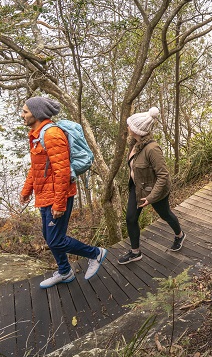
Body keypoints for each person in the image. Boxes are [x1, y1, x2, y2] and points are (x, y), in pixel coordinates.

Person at [19, 96, 108, 288]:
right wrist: (27, 190)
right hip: (45, 194)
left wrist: (59, 204)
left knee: (56, 240)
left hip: (58, 196)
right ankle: (65, 271)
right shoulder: (37, 135)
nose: (22, 115)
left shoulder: (52, 135)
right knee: (49, 237)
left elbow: (62, 172)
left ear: (37, 113)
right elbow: (35, 167)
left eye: (25, 111)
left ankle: (95, 254)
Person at [118, 107, 185, 264]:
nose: (127, 127)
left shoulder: (152, 149)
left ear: (136, 129)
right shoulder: (134, 144)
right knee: (130, 218)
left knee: (165, 214)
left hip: (156, 189)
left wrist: (151, 197)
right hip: (138, 188)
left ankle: (180, 235)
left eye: (129, 125)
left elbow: (163, 176)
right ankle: (135, 252)